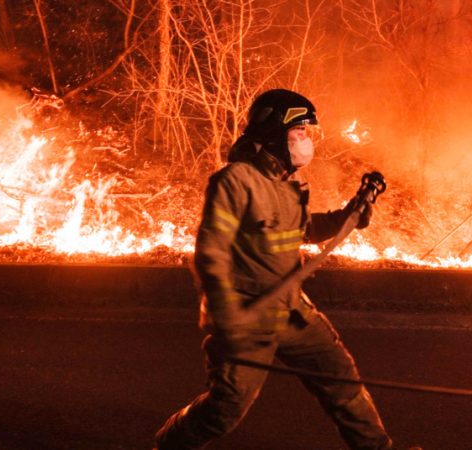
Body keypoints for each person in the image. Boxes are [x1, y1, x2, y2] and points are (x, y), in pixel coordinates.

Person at [155, 89, 393, 450]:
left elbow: (304, 231)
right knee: (225, 409)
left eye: (307, 134)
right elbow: (211, 253)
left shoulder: (288, 184)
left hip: (293, 311)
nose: (306, 141)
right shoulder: (235, 181)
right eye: (299, 132)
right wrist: (227, 314)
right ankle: (170, 444)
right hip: (248, 317)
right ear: (273, 134)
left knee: (341, 384)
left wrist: (350, 215)